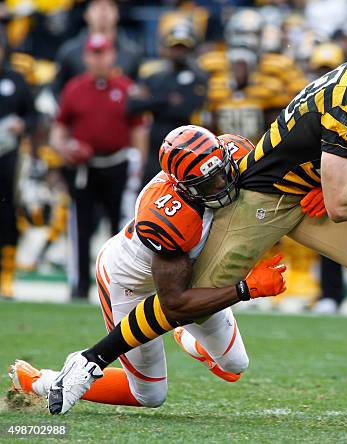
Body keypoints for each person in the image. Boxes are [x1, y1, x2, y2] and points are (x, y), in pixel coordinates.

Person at [18, 29, 347, 431]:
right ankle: (89, 361)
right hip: (266, 196)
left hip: (310, 189)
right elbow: (342, 203)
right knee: (185, 302)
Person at [9, 127, 288, 414]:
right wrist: (245, 289)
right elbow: (174, 303)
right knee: (149, 395)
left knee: (235, 364)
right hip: (128, 280)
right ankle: (40, 381)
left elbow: (285, 167)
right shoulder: (168, 219)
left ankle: (182, 332)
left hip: (183, 276)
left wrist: (316, 192)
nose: (221, 185)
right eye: (207, 184)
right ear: (183, 186)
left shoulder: (237, 151)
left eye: (221, 173)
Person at [50, 33, 147, 300]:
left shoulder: (126, 88)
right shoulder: (75, 88)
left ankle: (119, 287)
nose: (98, 58)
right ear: (86, 57)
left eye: (103, 52)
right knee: (80, 227)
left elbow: (138, 131)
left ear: (112, 55)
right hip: (85, 168)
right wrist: (65, 148)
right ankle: (79, 286)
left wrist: (136, 166)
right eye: (94, 53)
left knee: (122, 230)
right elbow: (58, 130)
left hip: (117, 164)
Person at [127, 22, 208, 185]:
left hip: (186, 145)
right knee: (149, 190)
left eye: (183, 48)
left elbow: (184, 109)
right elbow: (132, 106)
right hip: (156, 146)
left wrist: (153, 99)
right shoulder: (154, 76)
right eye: (175, 47)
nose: (179, 52)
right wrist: (166, 99)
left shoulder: (199, 76)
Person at [0, 28, 38, 299]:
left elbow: (34, 115)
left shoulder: (15, 79)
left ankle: (7, 275)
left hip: (8, 155)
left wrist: (21, 124)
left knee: (6, 212)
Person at [52, 0, 142, 97]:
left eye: (110, 5)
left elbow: (138, 92)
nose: (103, 11)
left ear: (117, 14)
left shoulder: (132, 53)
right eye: (97, 5)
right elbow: (57, 91)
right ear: (86, 14)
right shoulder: (69, 52)